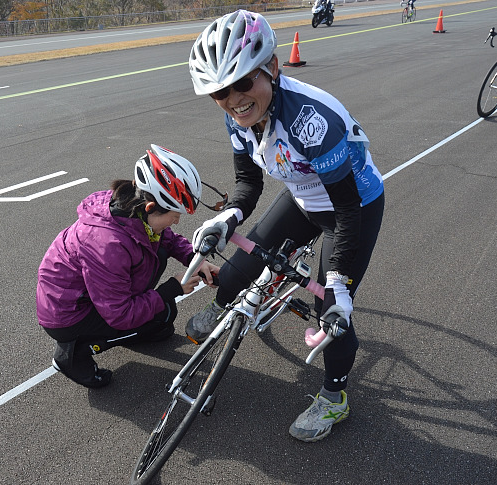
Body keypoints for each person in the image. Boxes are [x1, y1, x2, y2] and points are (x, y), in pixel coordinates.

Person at [186, 10, 385, 442]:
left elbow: (346, 209)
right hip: (302, 198)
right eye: (220, 91)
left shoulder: (311, 122)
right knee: (238, 270)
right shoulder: (236, 116)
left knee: (329, 310)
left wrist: (337, 282)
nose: (234, 98)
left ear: (273, 68)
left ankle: (335, 399)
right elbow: (247, 182)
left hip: (350, 208)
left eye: (243, 82)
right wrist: (228, 217)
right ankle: (221, 308)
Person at [36, 145, 219, 389]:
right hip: (68, 316)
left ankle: (130, 327)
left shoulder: (129, 209)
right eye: (174, 215)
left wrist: (196, 260)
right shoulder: (106, 245)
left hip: (96, 296)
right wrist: (172, 288)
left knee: (161, 320)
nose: (177, 221)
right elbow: (120, 314)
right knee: (157, 316)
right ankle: (71, 355)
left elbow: (167, 239)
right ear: (150, 208)